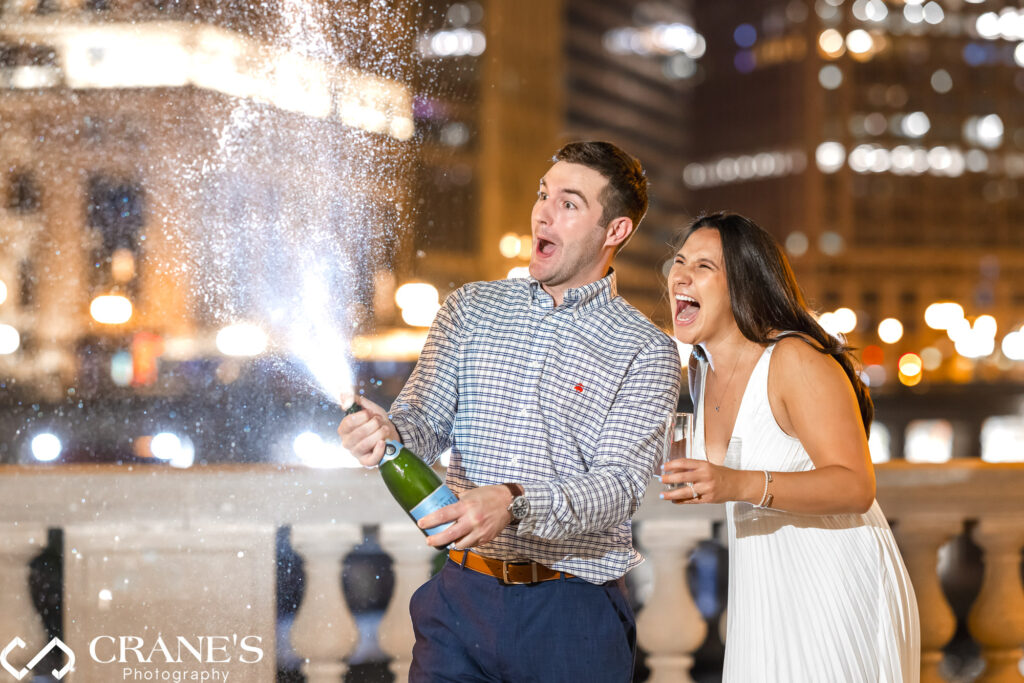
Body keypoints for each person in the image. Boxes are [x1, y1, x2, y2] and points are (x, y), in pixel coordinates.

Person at [339, 141, 682, 682]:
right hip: (458, 599)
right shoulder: (471, 308)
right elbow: (422, 421)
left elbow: (618, 489)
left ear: (614, 231)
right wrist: (386, 430)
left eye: (569, 204)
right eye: (543, 195)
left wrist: (514, 501)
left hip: (572, 610)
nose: (543, 212)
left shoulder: (645, 349)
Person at [661, 211, 920, 682]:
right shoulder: (699, 371)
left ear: (745, 284)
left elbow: (856, 486)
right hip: (762, 589)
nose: (681, 275)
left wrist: (734, 482)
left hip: (835, 585)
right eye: (679, 262)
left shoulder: (794, 359)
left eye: (704, 267)